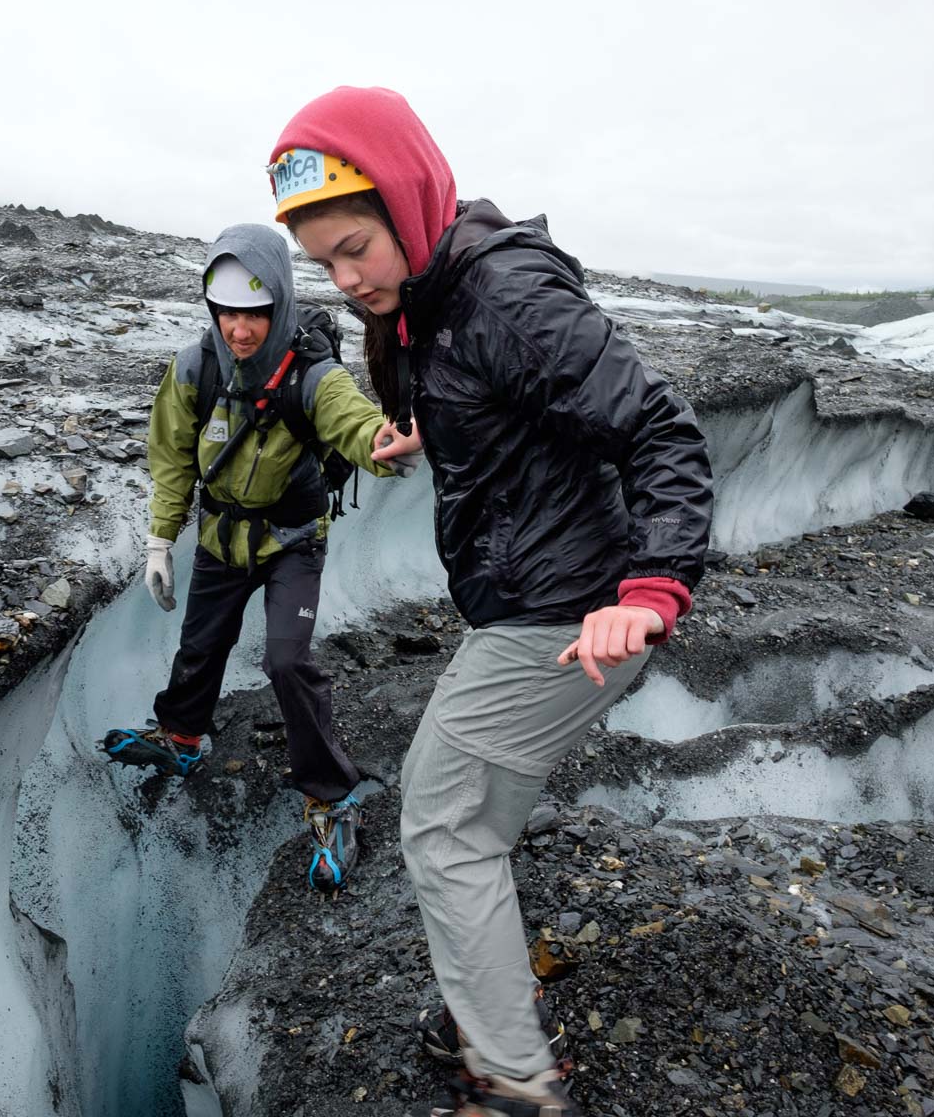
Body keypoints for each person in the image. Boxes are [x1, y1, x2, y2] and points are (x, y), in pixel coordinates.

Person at [268, 88, 714, 1115]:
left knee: (440, 825)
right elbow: (493, 388)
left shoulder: (505, 294)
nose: (346, 280)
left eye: (354, 249)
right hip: (536, 592)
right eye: (325, 264)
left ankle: (512, 1080)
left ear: (409, 198)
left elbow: (663, 432)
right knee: (479, 814)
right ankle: (491, 1006)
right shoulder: (437, 288)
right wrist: (439, 429)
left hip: (566, 612)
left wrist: (650, 592)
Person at [103, 222, 418, 893]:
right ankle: (181, 738)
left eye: (254, 312)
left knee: (286, 660)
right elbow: (172, 459)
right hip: (222, 537)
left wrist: (385, 446)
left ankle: (333, 797)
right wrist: (161, 541)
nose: (239, 329)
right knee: (200, 644)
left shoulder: (313, 373)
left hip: (292, 540)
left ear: (277, 302)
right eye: (226, 313)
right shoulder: (196, 368)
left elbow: (354, 424)